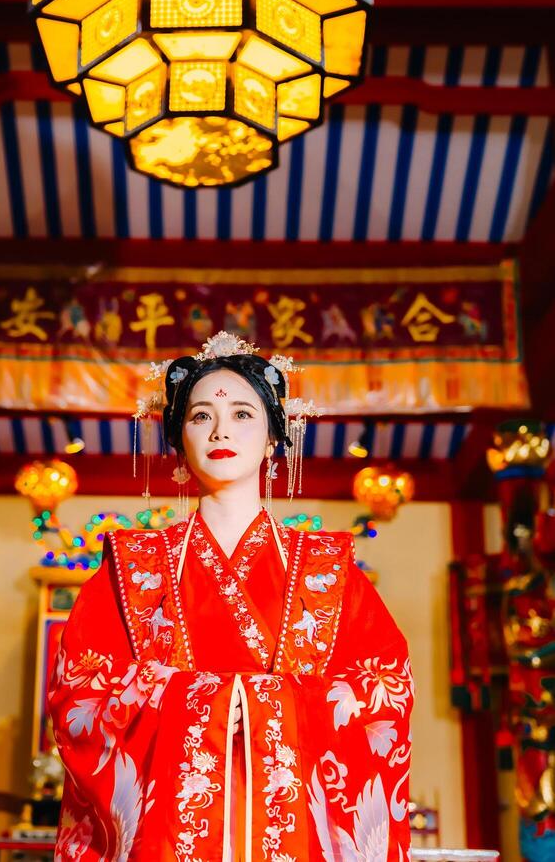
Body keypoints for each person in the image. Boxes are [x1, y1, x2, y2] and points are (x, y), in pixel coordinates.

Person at [48, 333, 413, 861]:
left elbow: (386, 689)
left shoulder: (326, 570)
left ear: (272, 439)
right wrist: (217, 704)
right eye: (200, 416)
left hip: (292, 836)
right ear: (178, 439)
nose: (221, 429)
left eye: (243, 413)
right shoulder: (132, 566)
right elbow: (79, 694)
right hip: (166, 836)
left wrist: (259, 705)